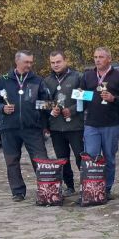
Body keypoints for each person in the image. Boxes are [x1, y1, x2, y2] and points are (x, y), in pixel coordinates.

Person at [0, 50, 49, 200]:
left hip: (32, 127)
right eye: (26, 62)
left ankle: (46, 189)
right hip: (9, 128)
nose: (29, 65)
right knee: (12, 161)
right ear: (17, 62)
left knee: (40, 160)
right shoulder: (3, 80)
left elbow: (46, 103)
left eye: (31, 62)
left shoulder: (37, 80)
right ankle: (17, 192)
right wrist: (2, 108)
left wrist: (47, 116)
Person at [79, 47, 119, 199]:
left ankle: (106, 189)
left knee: (109, 158)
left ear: (109, 59)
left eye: (101, 57)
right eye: (95, 57)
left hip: (111, 124)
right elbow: (81, 96)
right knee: (91, 157)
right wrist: (80, 96)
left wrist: (113, 98)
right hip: (92, 123)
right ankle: (91, 187)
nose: (97, 60)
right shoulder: (88, 76)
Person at [43, 50, 84, 197]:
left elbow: (86, 99)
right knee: (62, 158)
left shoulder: (78, 77)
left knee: (80, 156)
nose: (55, 65)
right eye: (53, 62)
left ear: (65, 61)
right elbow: (40, 103)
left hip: (75, 126)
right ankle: (70, 186)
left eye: (58, 62)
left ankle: (86, 185)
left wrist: (72, 110)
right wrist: (50, 109)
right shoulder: (46, 81)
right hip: (56, 127)